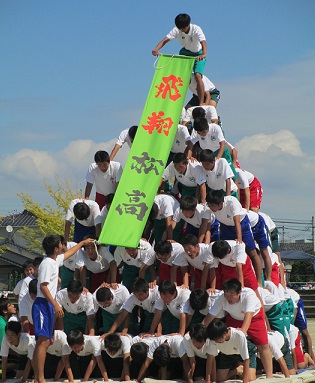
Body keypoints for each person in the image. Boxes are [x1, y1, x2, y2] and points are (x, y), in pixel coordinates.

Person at [31, 234, 94, 383]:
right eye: (60, 244)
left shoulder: (54, 260)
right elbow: (43, 287)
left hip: (47, 304)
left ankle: (38, 377)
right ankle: (39, 378)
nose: (63, 246)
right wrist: (55, 305)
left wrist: (83, 242)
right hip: (43, 304)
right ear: (55, 248)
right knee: (43, 341)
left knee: (45, 341)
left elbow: (68, 254)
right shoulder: (47, 264)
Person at [203, 278, 273, 379]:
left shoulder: (249, 294)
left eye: (231, 294)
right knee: (228, 340)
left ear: (239, 292)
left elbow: (248, 315)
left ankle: (269, 375)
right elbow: (210, 316)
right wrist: (199, 329)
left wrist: (242, 331)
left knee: (263, 345)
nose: (228, 297)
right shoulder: (222, 297)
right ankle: (238, 368)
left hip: (254, 318)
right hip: (233, 317)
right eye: (226, 294)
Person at [206, 190, 263, 285]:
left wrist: (239, 238)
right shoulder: (208, 208)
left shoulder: (232, 202)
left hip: (241, 225)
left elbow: (237, 221)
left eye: (212, 205)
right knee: (224, 252)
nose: (210, 207)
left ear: (220, 203)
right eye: (209, 205)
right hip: (225, 227)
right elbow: (207, 225)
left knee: (252, 252)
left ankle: (259, 282)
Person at [152, 13, 207, 105]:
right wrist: (156, 49)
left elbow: (203, 42)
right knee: (180, 76)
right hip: (185, 52)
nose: (181, 30)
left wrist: (204, 54)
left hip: (198, 54)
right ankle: (175, 100)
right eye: (179, 28)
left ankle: (201, 102)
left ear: (188, 25)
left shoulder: (196, 29)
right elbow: (165, 40)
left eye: (183, 28)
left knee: (198, 76)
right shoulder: (177, 29)